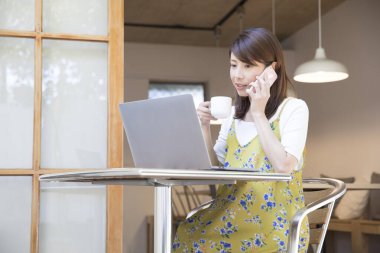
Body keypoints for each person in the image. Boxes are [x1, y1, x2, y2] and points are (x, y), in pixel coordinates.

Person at [172, 27, 310, 253]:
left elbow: (284, 166)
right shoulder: (233, 116)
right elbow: (213, 170)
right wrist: (204, 127)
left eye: (247, 66)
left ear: (271, 69)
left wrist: (258, 112)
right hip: (229, 216)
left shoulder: (293, 109)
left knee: (203, 244)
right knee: (186, 232)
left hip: (275, 224)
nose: (237, 75)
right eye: (233, 65)